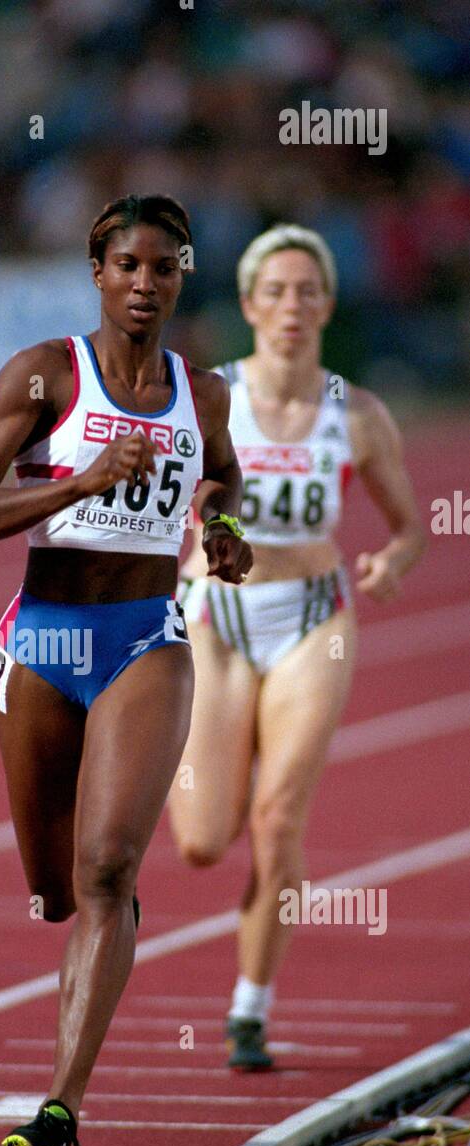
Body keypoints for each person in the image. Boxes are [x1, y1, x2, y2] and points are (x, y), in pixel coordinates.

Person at [0, 193, 252, 1146]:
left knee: (109, 868)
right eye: (128, 265)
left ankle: (58, 1108)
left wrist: (221, 530)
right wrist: (78, 483)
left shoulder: (202, 393)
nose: (145, 283)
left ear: (182, 276)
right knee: (51, 891)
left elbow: (224, 479)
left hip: (145, 637)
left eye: (164, 268)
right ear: (97, 268)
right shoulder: (44, 372)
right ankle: (94, 913)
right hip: (41, 641)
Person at [166, 224, 427, 1070]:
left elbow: (408, 525)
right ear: (247, 305)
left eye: (305, 290)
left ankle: (250, 1007)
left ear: (326, 304)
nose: (289, 306)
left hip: (314, 617)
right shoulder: (211, 398)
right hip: (214, 613)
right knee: (203, 839)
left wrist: (391, 559)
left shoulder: (356, 413)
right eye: (273, 291)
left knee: (279, 819)